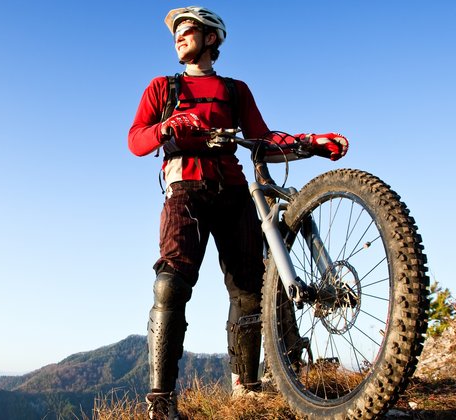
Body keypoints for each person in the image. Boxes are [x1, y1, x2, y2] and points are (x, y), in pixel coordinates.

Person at [127, 6, 348, 419]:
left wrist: (312, 142)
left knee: (248, 289)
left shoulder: (235, 90)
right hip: (184, 193)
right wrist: (168, 128)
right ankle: (161, 399)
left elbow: (263, 138)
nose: (178, 35)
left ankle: (246, 387)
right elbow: (136, 140)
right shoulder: (163, 87)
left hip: (233, 192)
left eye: (187, 29)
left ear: (212, 38)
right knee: (170, 285)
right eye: (175, 31)